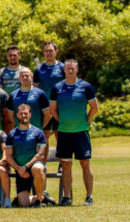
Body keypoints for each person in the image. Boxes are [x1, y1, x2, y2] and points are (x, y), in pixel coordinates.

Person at [49, 59, 99, 207]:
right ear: (64, 70)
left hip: (81, 132)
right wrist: (62, 122)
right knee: (65, 165)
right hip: (64, 133)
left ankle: (89, 196)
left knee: (85, 163)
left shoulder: (85, 87)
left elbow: (94, 108)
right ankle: (67, 197)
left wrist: (86, 122)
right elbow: (52, 110)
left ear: (77, 70)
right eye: (67, 68)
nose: (70, 70)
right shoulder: (57, 88)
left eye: (73, 68)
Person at [5, 104, 47, 208]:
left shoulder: (38, 132)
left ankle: (38, 201)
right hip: (20, 170)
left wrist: (26, 167)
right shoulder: (12, 134)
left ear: (30, 115)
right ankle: (42, 197)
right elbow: (8, 156)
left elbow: (40, 154)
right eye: (21, 114)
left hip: (34, 166)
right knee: (24, 204)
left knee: (37, 168)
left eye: (26, 113)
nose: (23, 116)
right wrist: (19, 168)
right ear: (17, 115)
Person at [33, 41, 65, 150]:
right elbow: (35, 90)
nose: (48, 53)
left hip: (59, 108)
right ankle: (43, 165)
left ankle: (62, 164)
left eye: (51, 51)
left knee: (59, 136)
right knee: (44, 137)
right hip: (44, 109)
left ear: (56, 52)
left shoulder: (63, 67)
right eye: (46, 51)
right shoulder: (38, 70)